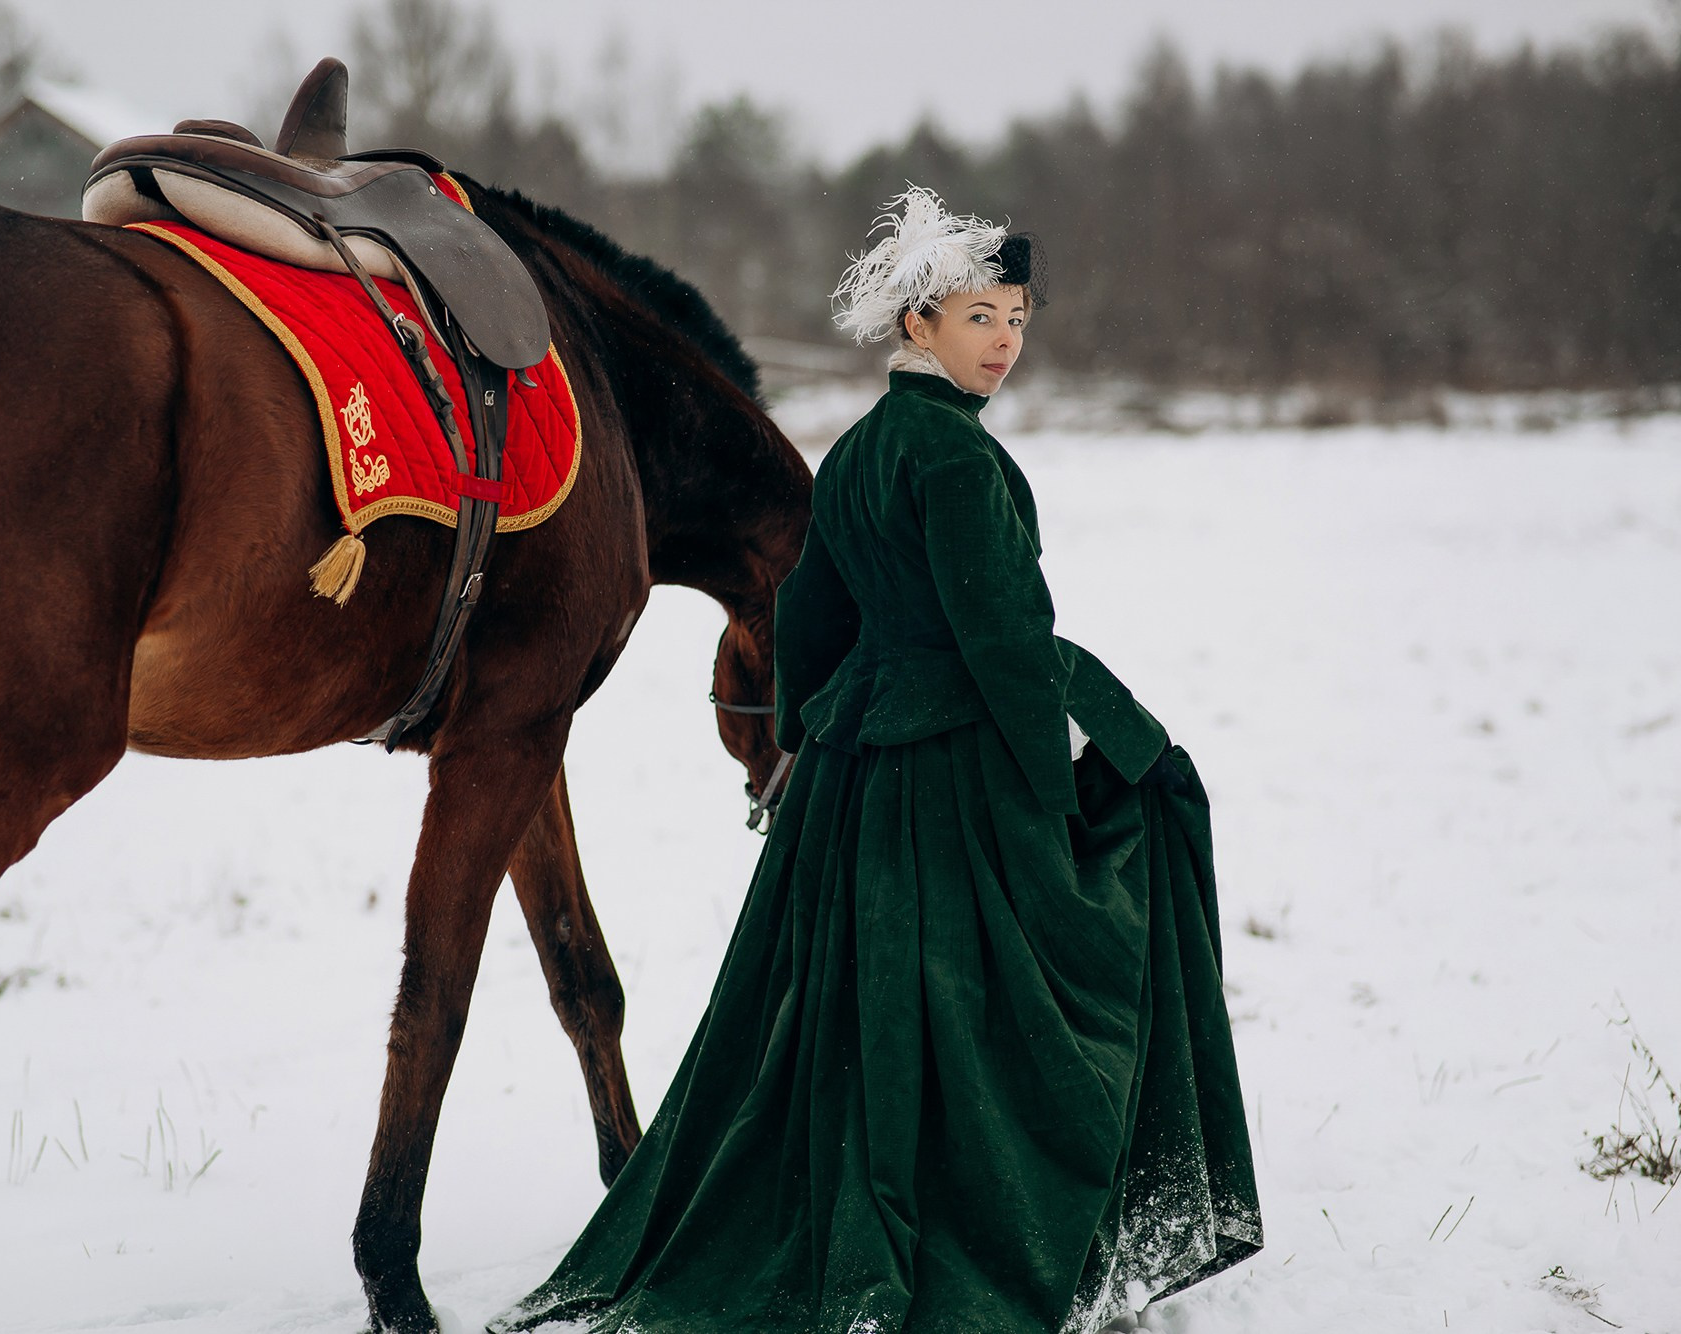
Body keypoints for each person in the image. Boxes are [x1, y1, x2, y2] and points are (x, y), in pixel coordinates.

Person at [489, 187, 1261, 1334]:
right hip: (954, 767)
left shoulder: (852, 454)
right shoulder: (953, 457)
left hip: (856, 773)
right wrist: (1060, 781)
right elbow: (1002, 639)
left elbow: (808, 617)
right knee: (1056, 935)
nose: (1003, 341)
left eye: (1016, 319)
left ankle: (871, 1199)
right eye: (979, 318)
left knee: (874, 1013)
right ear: (916, 324)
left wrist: (812, 740)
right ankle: (1003, 1214)